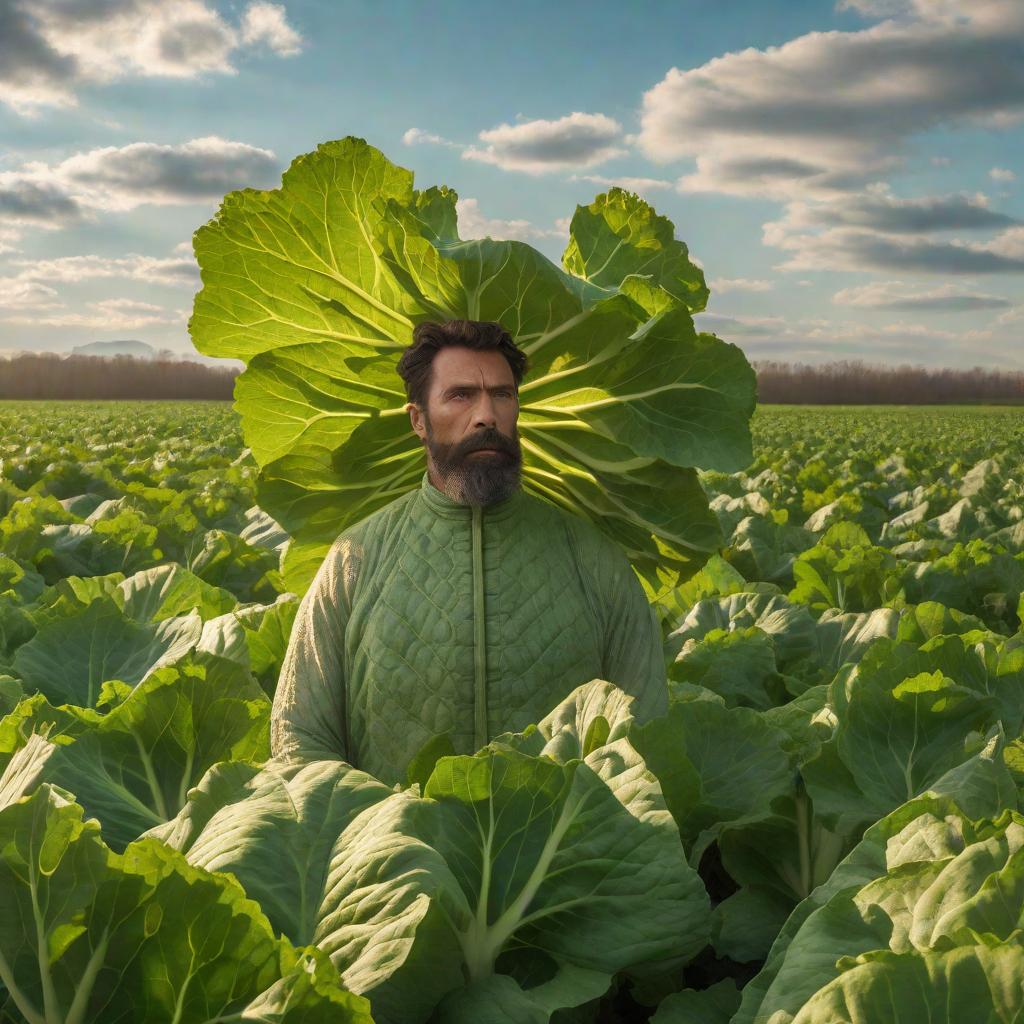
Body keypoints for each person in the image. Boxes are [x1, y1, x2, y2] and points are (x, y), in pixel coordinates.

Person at [270, 318, 668, 784]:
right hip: (393, 853)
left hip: (559, 850)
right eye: (460, 395)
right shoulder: (355, 560)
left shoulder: (593, 559)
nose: (486, 415)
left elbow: (645, 731)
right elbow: (300, 735)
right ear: (418, 420)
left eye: (502, 395)